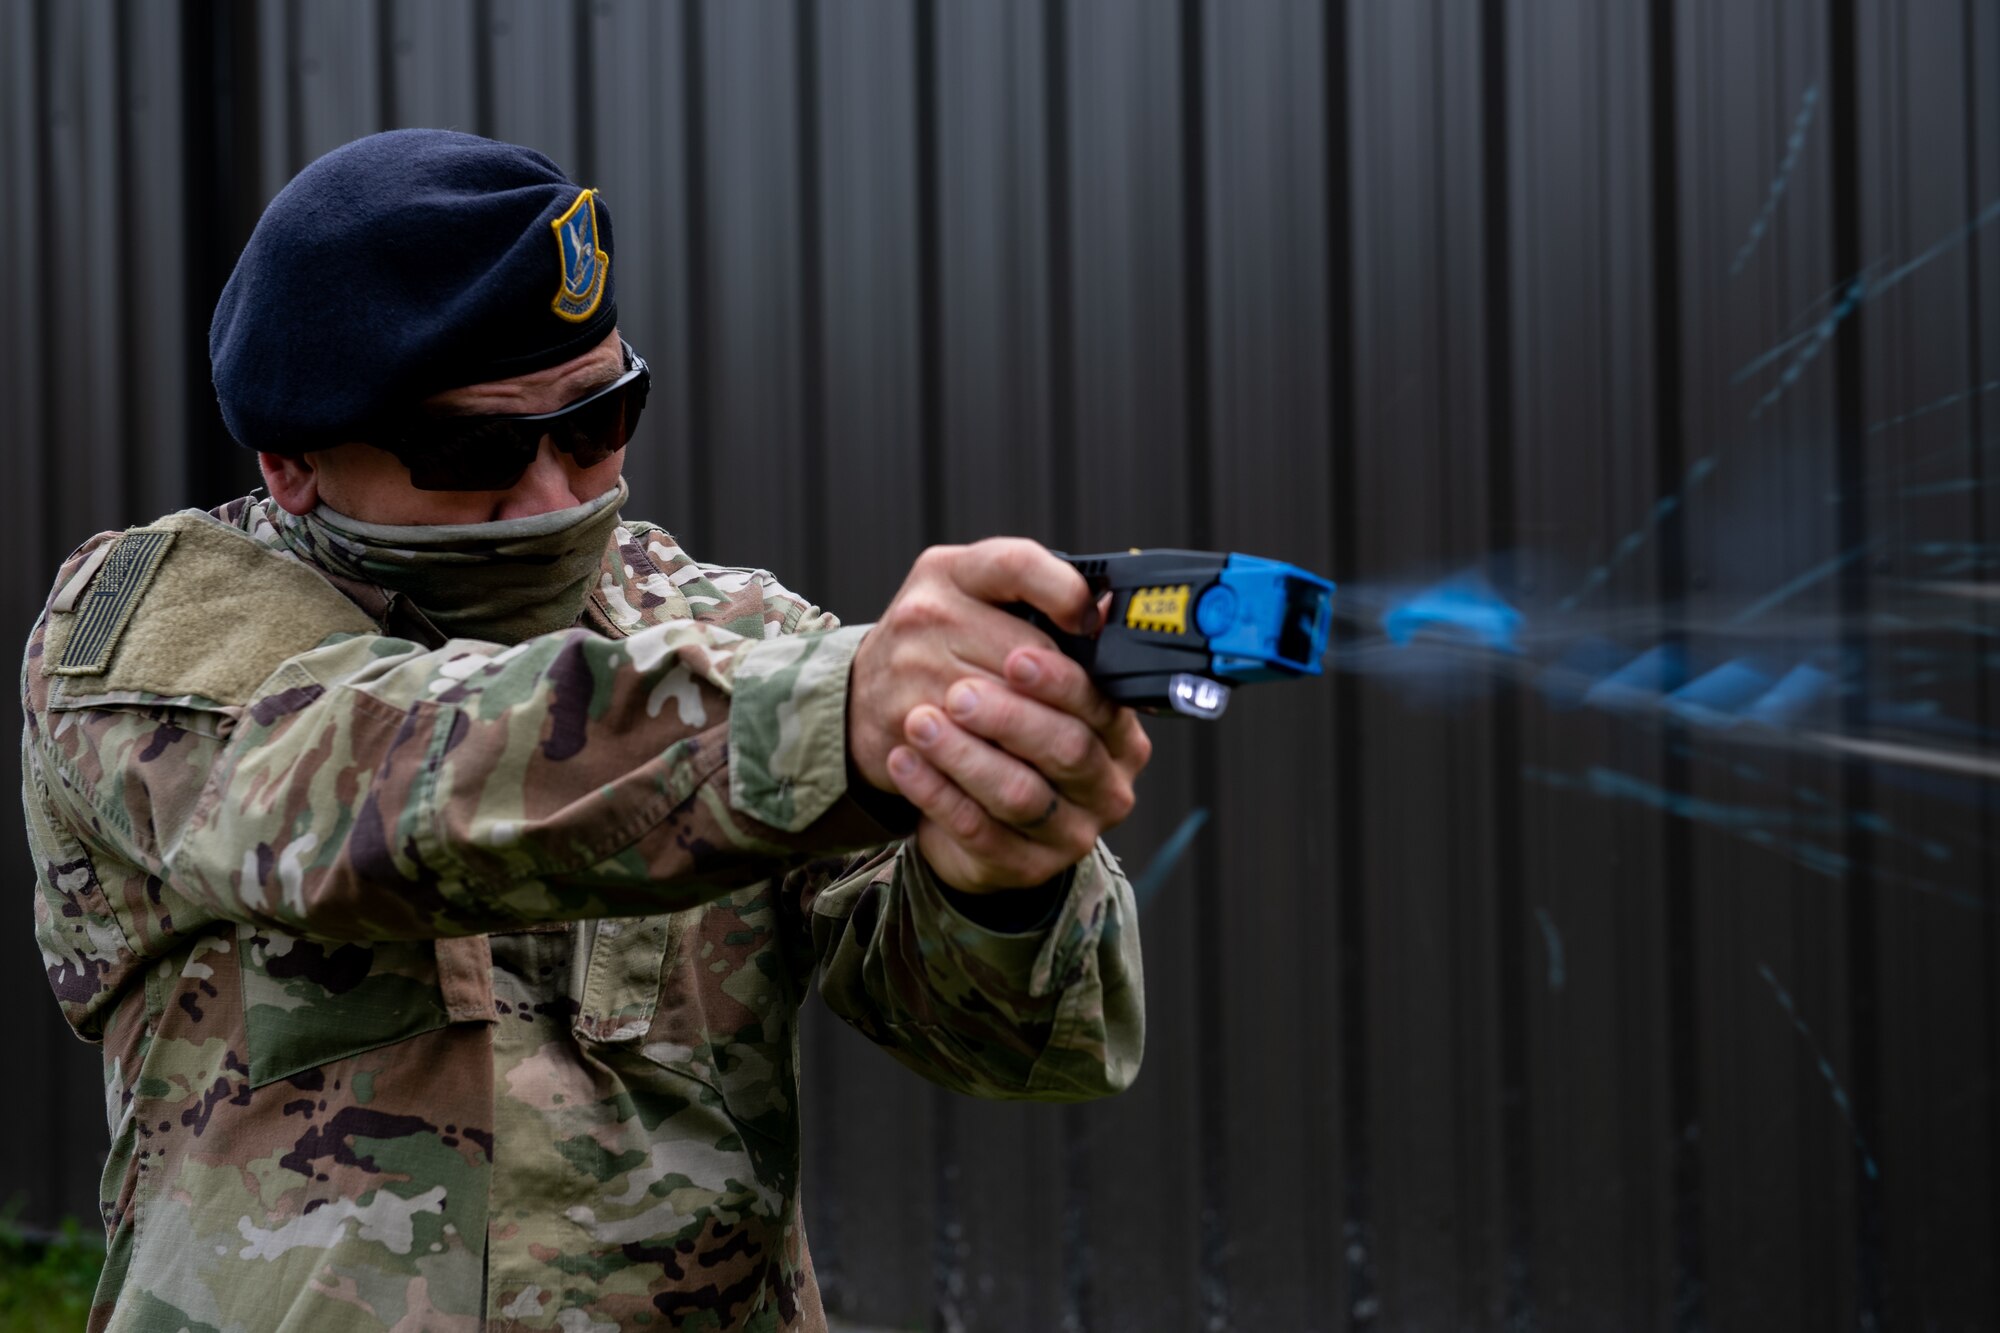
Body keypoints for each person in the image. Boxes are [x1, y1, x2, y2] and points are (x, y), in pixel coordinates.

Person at [22, 129, 1148, 1332]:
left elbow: (1021, 1048)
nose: (559, 496)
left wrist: (998, 871)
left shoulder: (730, 627)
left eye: (597, 421)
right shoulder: (149, 624)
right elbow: (363, 783)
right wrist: (822, 715)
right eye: (479, 449)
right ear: (291, 461)